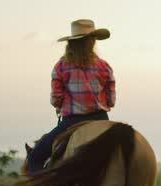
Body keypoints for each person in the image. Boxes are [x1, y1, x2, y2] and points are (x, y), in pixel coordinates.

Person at [26, 19, 116, 175]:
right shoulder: (104, 66)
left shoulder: (61, 66)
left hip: (72, 122)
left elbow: (56, 99)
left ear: (71, 43)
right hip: (102, 119)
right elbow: (111, 100)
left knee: (35, 157)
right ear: (93, 41)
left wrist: (59, 104)